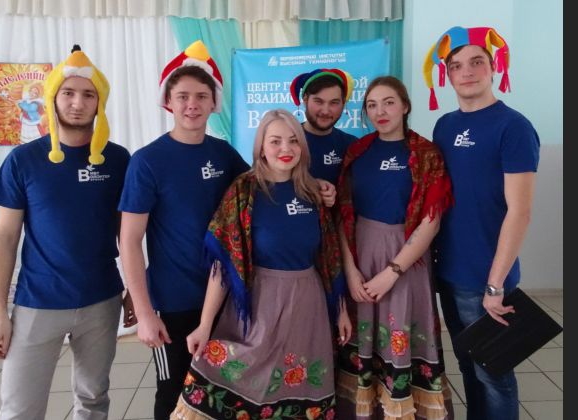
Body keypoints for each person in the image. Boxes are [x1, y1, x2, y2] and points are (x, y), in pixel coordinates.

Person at [170, 109, 352, 419]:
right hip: (258, 307)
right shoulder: (243, 191)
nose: (286, 148)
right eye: (276, 141)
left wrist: (342, 311)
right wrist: (204, 324)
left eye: (293, 140)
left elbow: (328, 258)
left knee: (300, 388)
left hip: (308, 307)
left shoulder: (313, 193)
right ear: (261, 148)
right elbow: (223, 264)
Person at [0, 45, 135, 420]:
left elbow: (130, 236)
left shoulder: (119, 160)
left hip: (101, 300)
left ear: (100, 103)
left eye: (88, 95)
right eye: (68, 93)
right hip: (37, 302)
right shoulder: (23, 160)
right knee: (20, 408)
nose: (77, 103)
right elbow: (4, 237)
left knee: (93, 400)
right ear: (53, 97)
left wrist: (136, 289)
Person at [118, 40, 251, 420]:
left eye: (201, 96)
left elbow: (264, 191)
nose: (192, 104)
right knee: (173, 391)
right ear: (169, 102)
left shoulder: (223, 154)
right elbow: (129, 240)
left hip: (223, 298)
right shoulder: (147, 161)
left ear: (213, 102)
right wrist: (145, 312)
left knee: (224, 390)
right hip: (171, 302)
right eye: (183, 96)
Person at [424, 26, 540, 420]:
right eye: (456, 65)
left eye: (477, 62)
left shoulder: (513, 126)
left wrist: (495, 285)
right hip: (448, 273)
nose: (467, 72)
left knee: (494, 374)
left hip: (487, 278)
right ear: (448, 75)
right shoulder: (444, 126)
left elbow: (520, 212)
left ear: (493, 68)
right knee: (468, 366)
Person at [335, 76, 454, 419]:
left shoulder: (425, 153)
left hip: (407, 261)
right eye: (372, 105)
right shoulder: (357, 152)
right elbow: (342, 214)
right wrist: (350, 270)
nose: (380, 111)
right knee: (363, 337)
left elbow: (431, 221)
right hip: (361, 256)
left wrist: (393, 271)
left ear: (404, 106)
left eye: (388, 102)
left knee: (401, 331)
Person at [290, 68, 358, 185]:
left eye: (334, 102)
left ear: (343, 103)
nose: (325, 111)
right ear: (305, 100)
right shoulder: (287, 141)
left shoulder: (352, 146)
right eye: (318, 101)